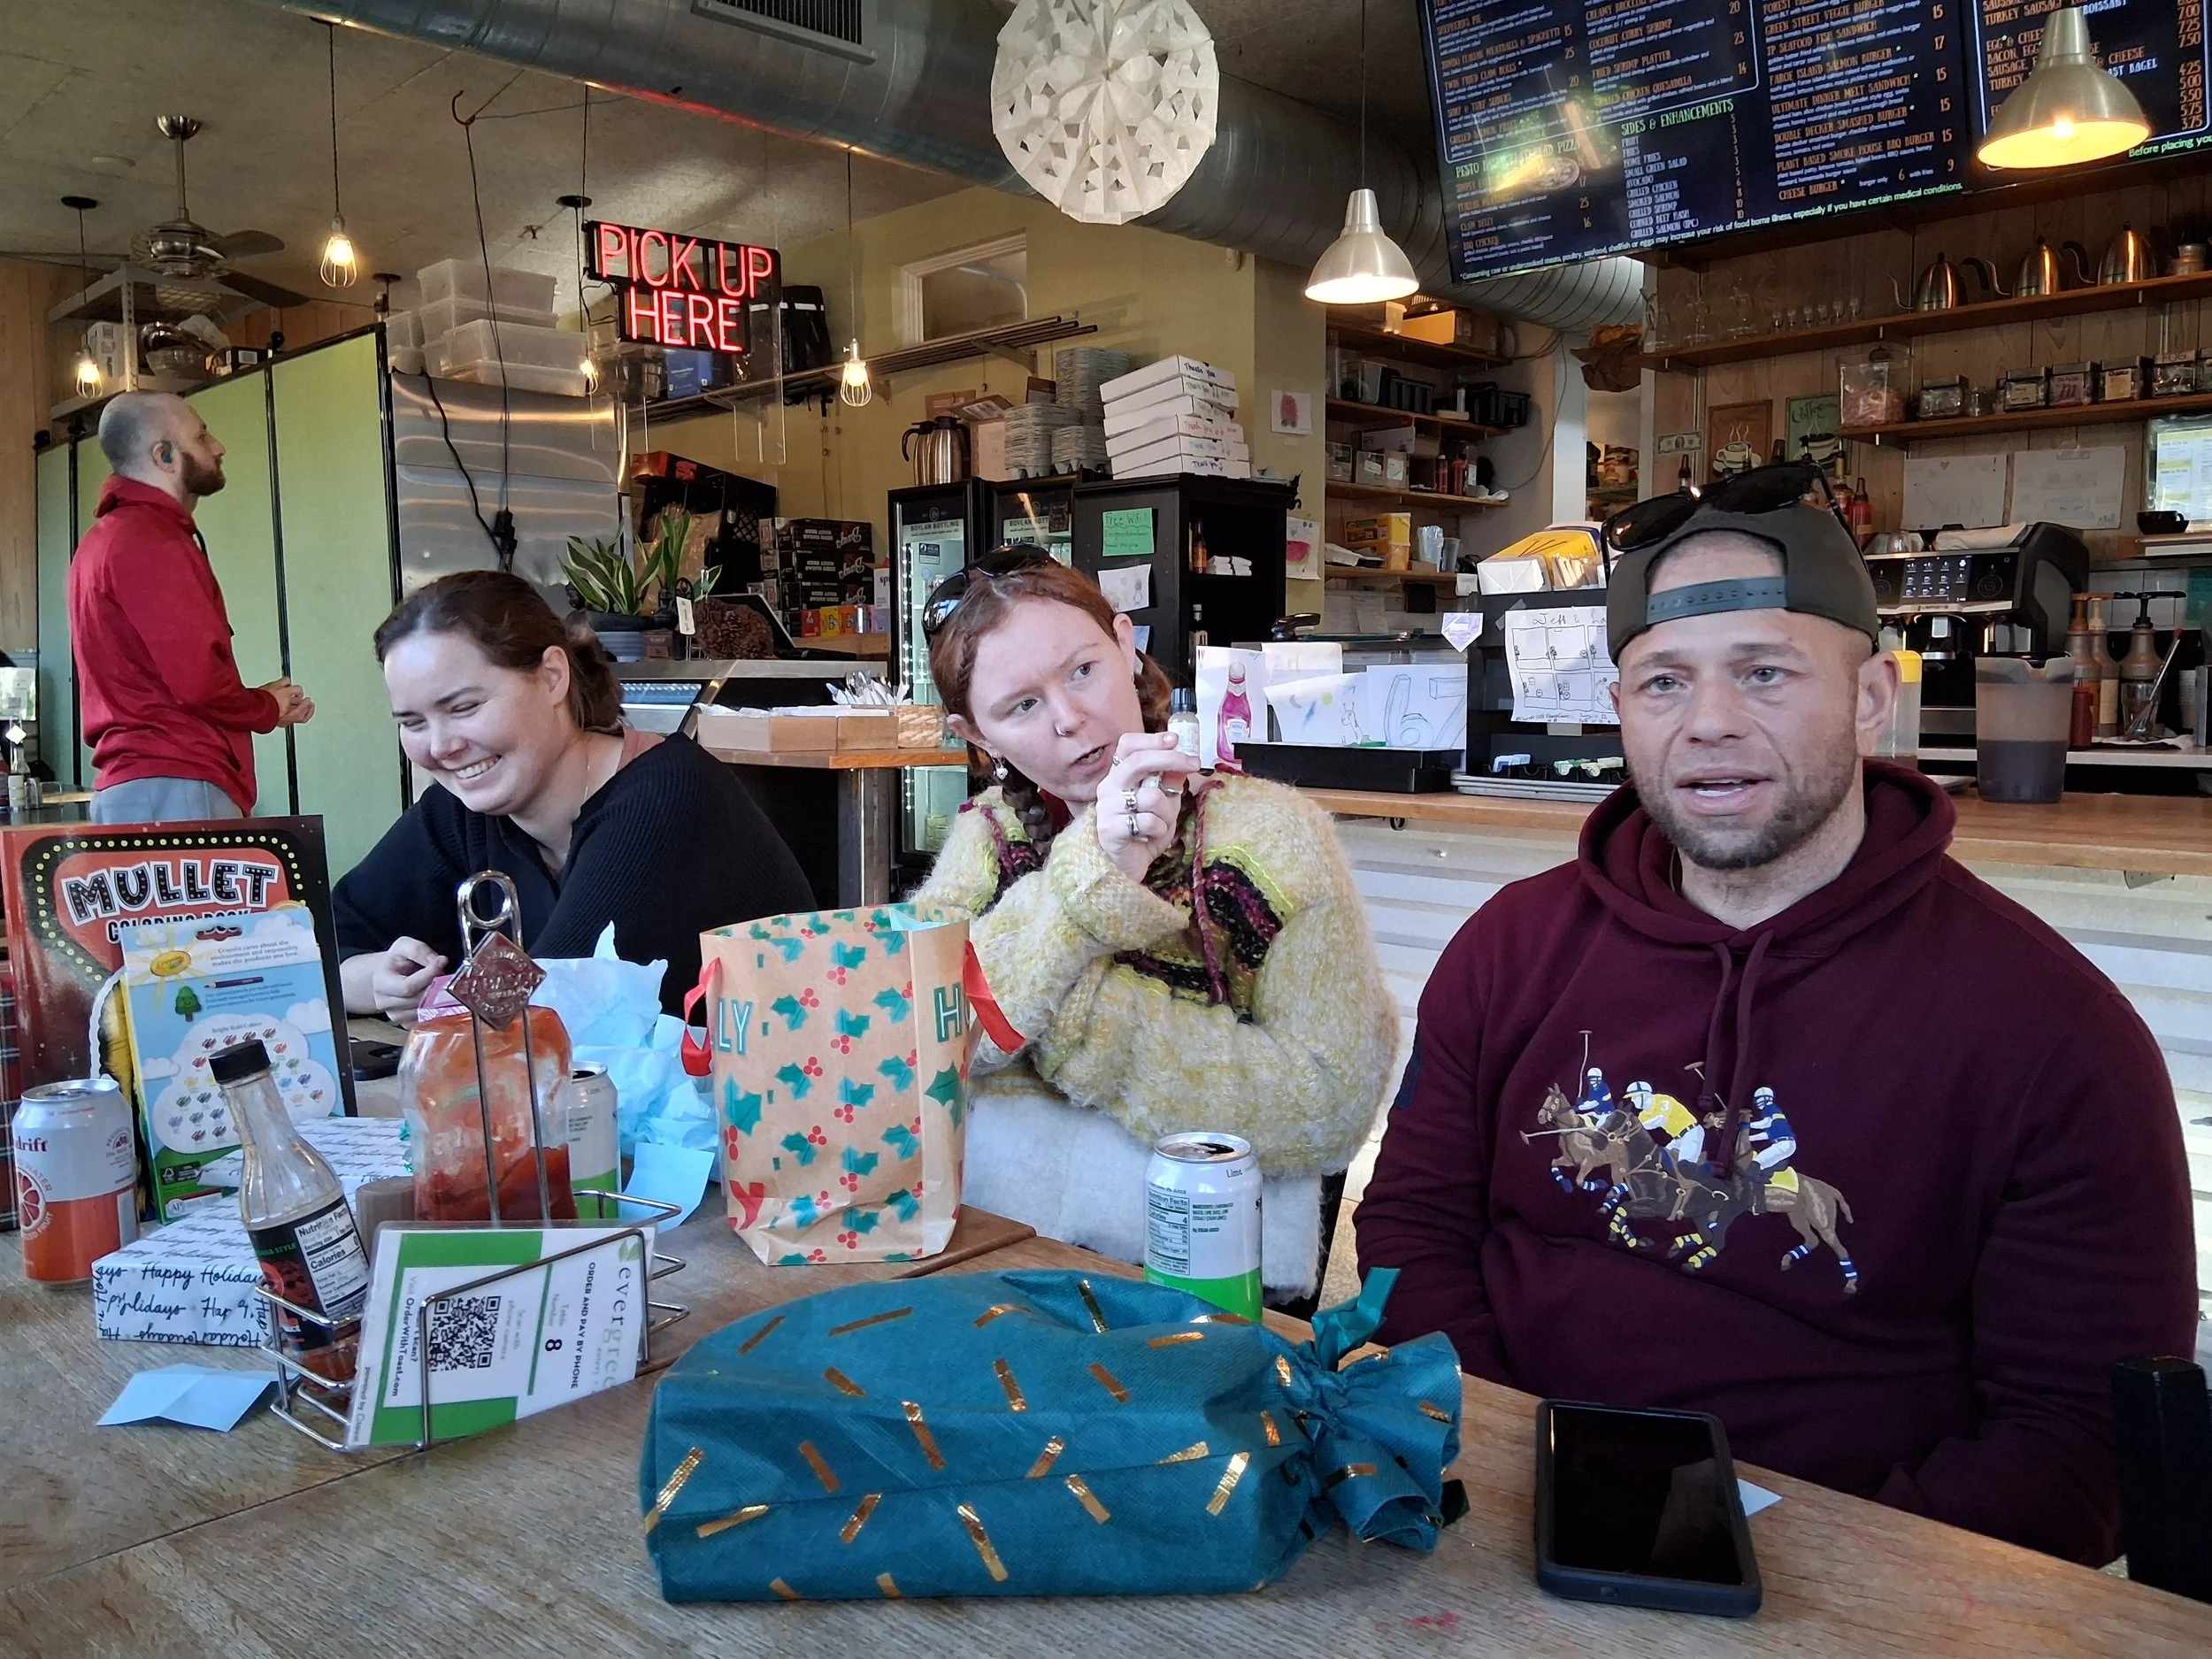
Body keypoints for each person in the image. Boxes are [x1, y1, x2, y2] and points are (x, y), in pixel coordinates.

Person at [1356, 465, 2195, 1565]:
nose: (1708, 724)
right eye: (1662, 683)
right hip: (1501, 1508)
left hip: (1852, 1576)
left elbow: (2076, 1445)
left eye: (1763, 672)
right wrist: (1500, 1468)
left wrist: (1794, 1578)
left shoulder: (2054, 1034)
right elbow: (1412, 1235)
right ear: (1618, 709)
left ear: (1869, 699)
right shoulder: (1511, 946)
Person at [914, 548, 1398, 1300]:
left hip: (1215, 1285)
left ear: (1125, 642)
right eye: (1022, 706)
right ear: (975, 735)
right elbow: (920, 1040)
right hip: (999, 1263)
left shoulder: (1270, 838)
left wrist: (1070, 1020)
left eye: (1083, 669)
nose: (1071, 717)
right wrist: (1092, 874)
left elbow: (1333, 1106)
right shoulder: (988, 836)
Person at [335, 571, 811, 1018]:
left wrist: (435, 998)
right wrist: (378, 979)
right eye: (412, 723)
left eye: (464, 707)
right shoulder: (461, 810)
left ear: (552, 677)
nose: (441, 747)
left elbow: (543, 1001)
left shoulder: (667, 796)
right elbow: (308, 953)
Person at [69, 391, 314, 822]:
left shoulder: (102, 541)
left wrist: (258, 703)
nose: (218, 446)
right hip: (176, 781)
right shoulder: (151, 542)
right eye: (201, 436)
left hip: (139, 783)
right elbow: (197, 682)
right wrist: (262, 708)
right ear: (164, 456)